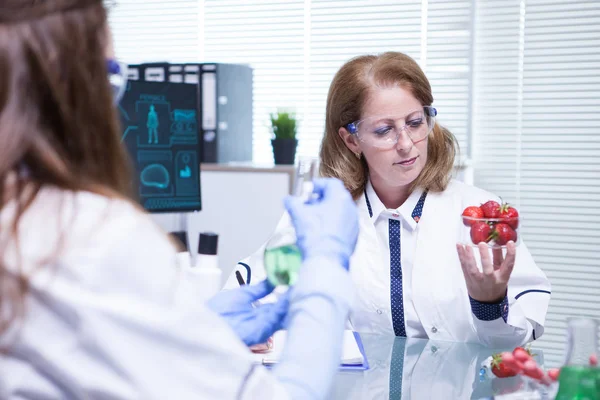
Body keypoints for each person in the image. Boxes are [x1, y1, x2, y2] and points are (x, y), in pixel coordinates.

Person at [0, 1, 360, 399]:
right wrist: (326, 271)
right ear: (79, 91)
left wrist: (194, 328)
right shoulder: (87, 233)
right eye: (112, 77)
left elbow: (73, 347)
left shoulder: (20, 216)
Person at [226, 52, 551, 348]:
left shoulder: (478, 215)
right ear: (352, 139)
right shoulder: (321, 216)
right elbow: (243, 298)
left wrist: (489, 303)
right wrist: (246, 330)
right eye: (384, 130)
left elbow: (521, 332)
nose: (407, 144)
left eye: (414, 123)